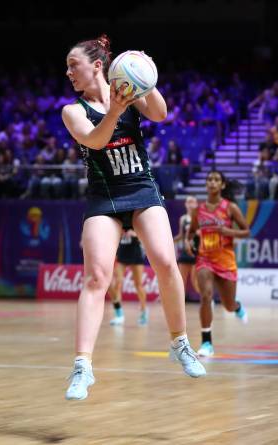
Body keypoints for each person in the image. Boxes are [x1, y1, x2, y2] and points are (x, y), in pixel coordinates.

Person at [61, 35, 206, 401]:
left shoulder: (128, 90)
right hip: (105, 195)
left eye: (73, 65)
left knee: (165, 262)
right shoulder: (72, 111)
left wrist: (146, 76)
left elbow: (160, 113)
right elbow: (95, 141)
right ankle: (82, 366)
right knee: (97, 277)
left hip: (141, 187)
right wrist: (114, 111)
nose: (68, 73)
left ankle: (180, 343)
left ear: (97, 65)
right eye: (67, 68)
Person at [186, 171, 250, 357]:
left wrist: (229, 232)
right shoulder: (198, 210)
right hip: (205, 258)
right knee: (205, 296)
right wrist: (190, 243)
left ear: (222, 185)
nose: (212, 182)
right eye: (209, 179)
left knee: (228, 305)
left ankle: (237, 307)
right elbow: (191, 232)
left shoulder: (230, 207)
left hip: (225, 260)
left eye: (216, 180)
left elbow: (246, 231)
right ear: (206, 184)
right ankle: (207, 342)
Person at [108, 230, 149, 326]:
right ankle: (119, 315)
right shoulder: (120, 223)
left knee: (138, 285)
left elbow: (146, 236)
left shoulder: (136, 222)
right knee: (118, 283)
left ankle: (144, 311)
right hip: (122, 254)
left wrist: (136, 234)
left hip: (136, 254)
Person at [173, 196, 200, 299]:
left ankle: (207, 300)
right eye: (188, 202)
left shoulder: (199, 217)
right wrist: (171, 240)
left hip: (196, 252)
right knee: (181, 280)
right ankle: (181, 302)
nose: (190, 204)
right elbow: (181, 235)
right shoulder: (183, 218)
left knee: (194, 280)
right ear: (185, 204)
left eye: (192, 202)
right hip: (185, 252)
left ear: (196, 204)